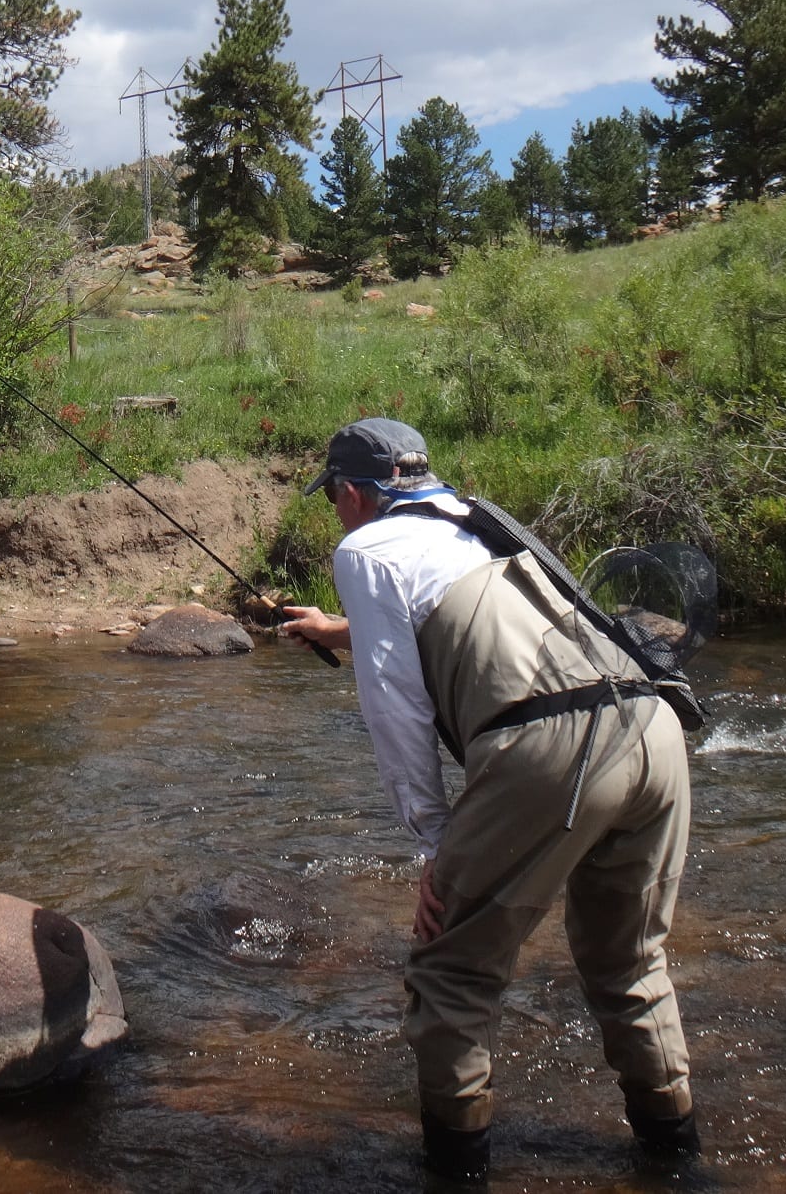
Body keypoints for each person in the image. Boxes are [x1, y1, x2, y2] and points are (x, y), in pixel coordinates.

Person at [279, 418, 699, 1181]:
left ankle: (457, 1169)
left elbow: (395, 708)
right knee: (630, 964)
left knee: (449, 976)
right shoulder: (478, 518)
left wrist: (436, 846)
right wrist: (337, 629)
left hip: (551, 752)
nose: (336, 514)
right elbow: (463, 615)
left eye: (334, 499)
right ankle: (675, 1154)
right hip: (652, 728)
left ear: (350, 492)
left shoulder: (365, 547)